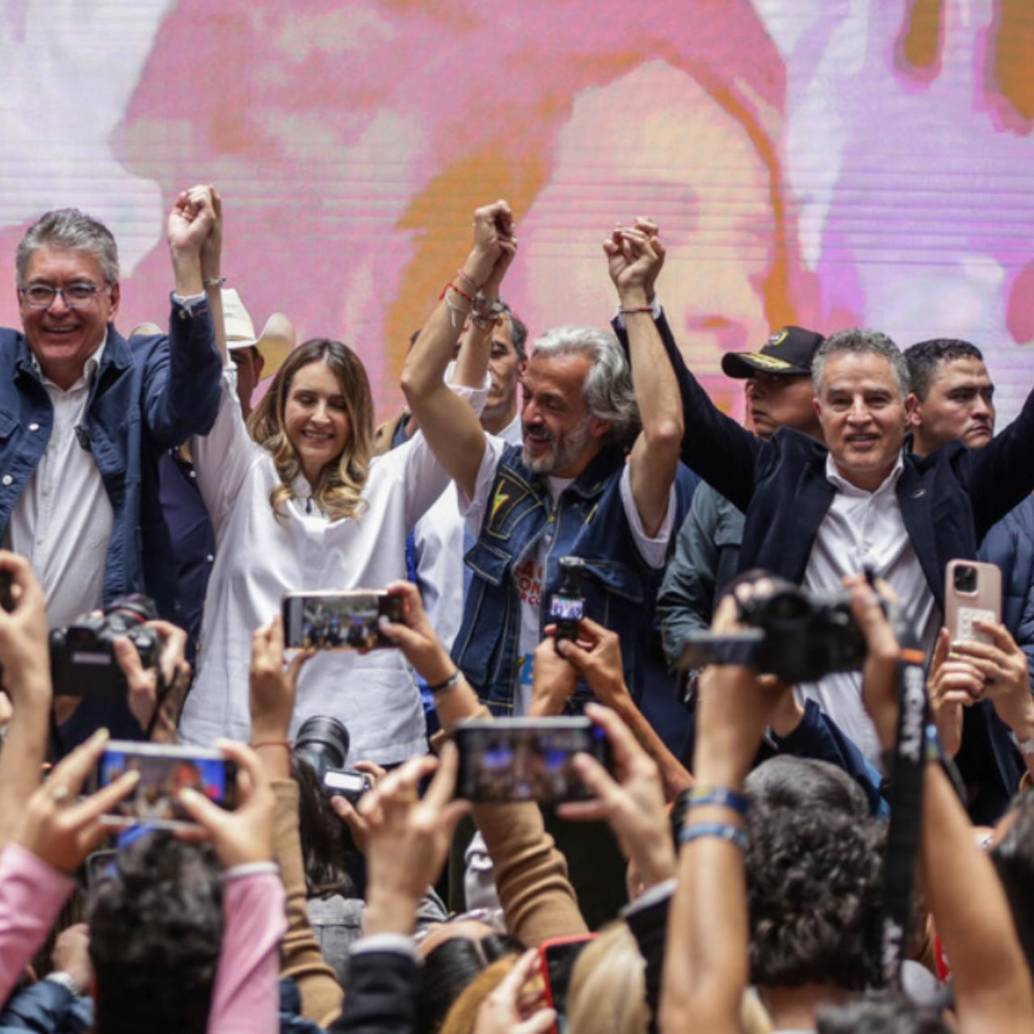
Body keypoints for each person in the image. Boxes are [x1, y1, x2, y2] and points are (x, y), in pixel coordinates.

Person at [177, 190, 493, 762]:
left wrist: (480, 277)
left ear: (359, 415)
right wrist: (208, 266)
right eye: (306, 400)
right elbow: (218, 380)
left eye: (338, 404)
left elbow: (460, 408)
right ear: (278, 404)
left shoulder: (390, 484)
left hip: (367, 745)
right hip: (236, 735)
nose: (321, 417)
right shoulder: (240, 476)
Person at [653, 316, 1034, 766]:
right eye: (840, 401)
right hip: (800, 774)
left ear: (909, 409)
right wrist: (642, 306)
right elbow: (689, 420)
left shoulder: (953, 489)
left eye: (876, 399)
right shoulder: (779, 480)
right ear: (819, 412)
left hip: (929, 771)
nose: (859, 417)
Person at [402, 201, 683, 715]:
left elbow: (664, 429)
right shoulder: (495, 473)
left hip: (587, 756)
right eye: (529, 396)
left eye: (552, 406)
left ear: (600, 418)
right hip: (485, 738)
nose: (530, 417)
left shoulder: (629, 498)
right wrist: (478, 270)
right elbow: (419, 383)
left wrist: (635, 298)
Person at [0, 193, 220, 743]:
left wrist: (188, 265)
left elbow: (193, 406)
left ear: (113, 297)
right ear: (19, 296)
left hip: (106, 684)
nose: (57, 308)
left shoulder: (141, 370)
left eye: (78, 289)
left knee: (101, 827)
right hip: (3, 682)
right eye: (40, 290)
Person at [903, 337, 1031, 818]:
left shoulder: (1023, 504)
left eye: (989, 395)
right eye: (961, 396)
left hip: (1006, 750)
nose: (983, 409)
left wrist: (1010, 700)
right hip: (897, 737)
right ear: (912, 409)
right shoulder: (874, 497)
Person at [657, 324, 825, 667]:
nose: (755, 390)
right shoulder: (720, 489)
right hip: (743, 705)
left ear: (824, 392)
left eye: (779, 379)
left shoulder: (865, 483)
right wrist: (713, 675)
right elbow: (679, 603)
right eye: (753, 379)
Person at [158, 274, 297, 665]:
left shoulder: (289, 467)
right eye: (208, 363)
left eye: (233, 360)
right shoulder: (148, 466)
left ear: (257, 366)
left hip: (259, 668)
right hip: (164, 672)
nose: (220, 376)